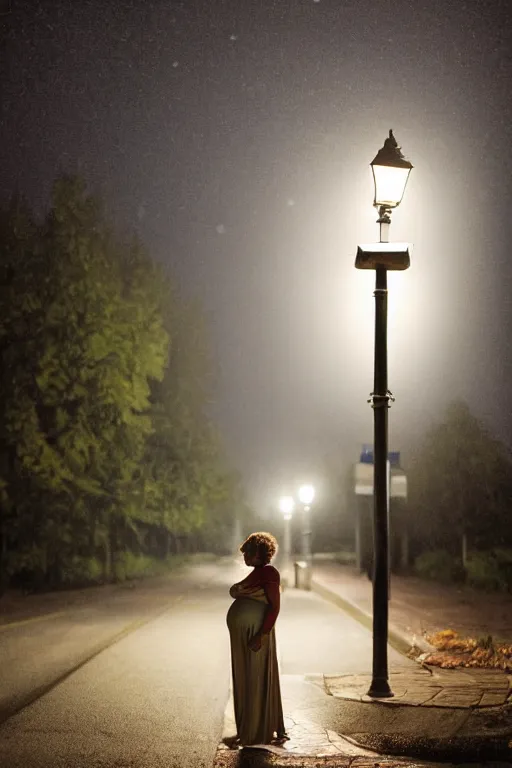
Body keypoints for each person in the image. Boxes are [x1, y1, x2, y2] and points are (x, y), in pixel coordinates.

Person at [226, 531, 287, 747]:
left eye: (247, 554)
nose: (244, 558)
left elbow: (275, 607)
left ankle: (255, 733)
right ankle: (245, 730)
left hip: (256, 635)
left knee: (254, 680)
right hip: (245, 635)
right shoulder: (258, 573)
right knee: (244, 680)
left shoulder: (269, 573)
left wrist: (261, 635)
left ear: (257, 553)